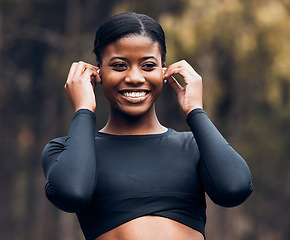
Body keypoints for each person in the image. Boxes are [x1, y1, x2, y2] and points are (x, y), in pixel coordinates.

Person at [42, 12, 253, 240]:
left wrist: (195, 110)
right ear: (98, 72)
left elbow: (235, 188)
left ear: (164, 70)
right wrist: (83, 108)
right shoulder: (67, 151)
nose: (134, 77)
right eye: (119, 65)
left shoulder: (194, 147)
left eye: (148, 65)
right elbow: (72, 194)